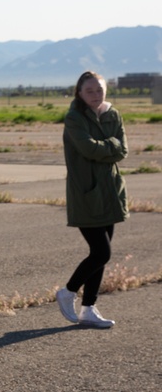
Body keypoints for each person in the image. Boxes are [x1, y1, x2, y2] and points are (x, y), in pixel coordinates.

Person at [55, 71, 128, 329]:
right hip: (86, 194)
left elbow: (124, 149)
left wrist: (105, 148)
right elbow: (88, 148)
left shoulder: (113, 114)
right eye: (90, 91)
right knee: (101, 252)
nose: (96, 95)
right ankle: (68, 292)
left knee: (101, 256)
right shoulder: (74, 118)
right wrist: (110, 147)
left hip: (110, 193)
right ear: (80, 93)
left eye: (99, 90)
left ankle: (88, 310)